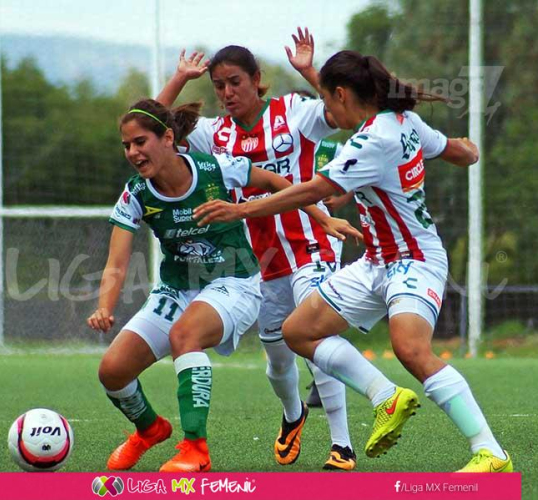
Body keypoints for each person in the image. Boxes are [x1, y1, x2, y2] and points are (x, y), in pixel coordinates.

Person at [193, 50, 513, 473]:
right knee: (298, 331)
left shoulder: (372, 138)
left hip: (414, 261)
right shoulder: (404, 122)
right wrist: (471, 153)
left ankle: (490, 452)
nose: (324, 110)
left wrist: (241, 210)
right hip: (375, 263)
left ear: (342, 95)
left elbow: (310, 190)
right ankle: (388, 396)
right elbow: (454, 150)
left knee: (411, 349)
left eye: (326, 100)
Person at [88, 98, 358, 473]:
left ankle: (195, 449)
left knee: (186, 336)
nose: (133, 152)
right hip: (177, 289)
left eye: (140, 142)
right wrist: (105, 306)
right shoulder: (136, 193)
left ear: (168, 138)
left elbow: (275, 181)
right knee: (112, 371)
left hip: (234, 281)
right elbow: (117, 261)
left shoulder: (214, 168)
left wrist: (322, 218)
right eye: (127, 145)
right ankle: (149, 430)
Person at [156, 28, 362, 470]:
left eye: (235, 82)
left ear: (256, 79)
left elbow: (342, 110)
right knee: (278, 363)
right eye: (218, 86)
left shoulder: (292, 113)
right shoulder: (215, 135)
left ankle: (342, 446)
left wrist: (310, 70)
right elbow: (155, 129)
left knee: (318, 340)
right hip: (261, 263)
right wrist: (178, 80)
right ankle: (293, 415)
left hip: (313, 243)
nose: (227, 93)